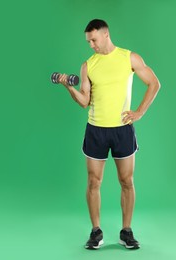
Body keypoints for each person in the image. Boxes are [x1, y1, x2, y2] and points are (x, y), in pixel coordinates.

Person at [58, 19, 161, 250]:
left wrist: (140, 112)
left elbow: (154, 83)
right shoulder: (88, 65)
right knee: (93, 181)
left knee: (127, 181)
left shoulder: (129, 58)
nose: (91, 45)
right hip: (95, 129)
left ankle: (126, 231)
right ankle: (96, 232)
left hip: (122, 129)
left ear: (105, 35)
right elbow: (84, 101)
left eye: (93, 40)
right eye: (88, 41)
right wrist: (69, 87)